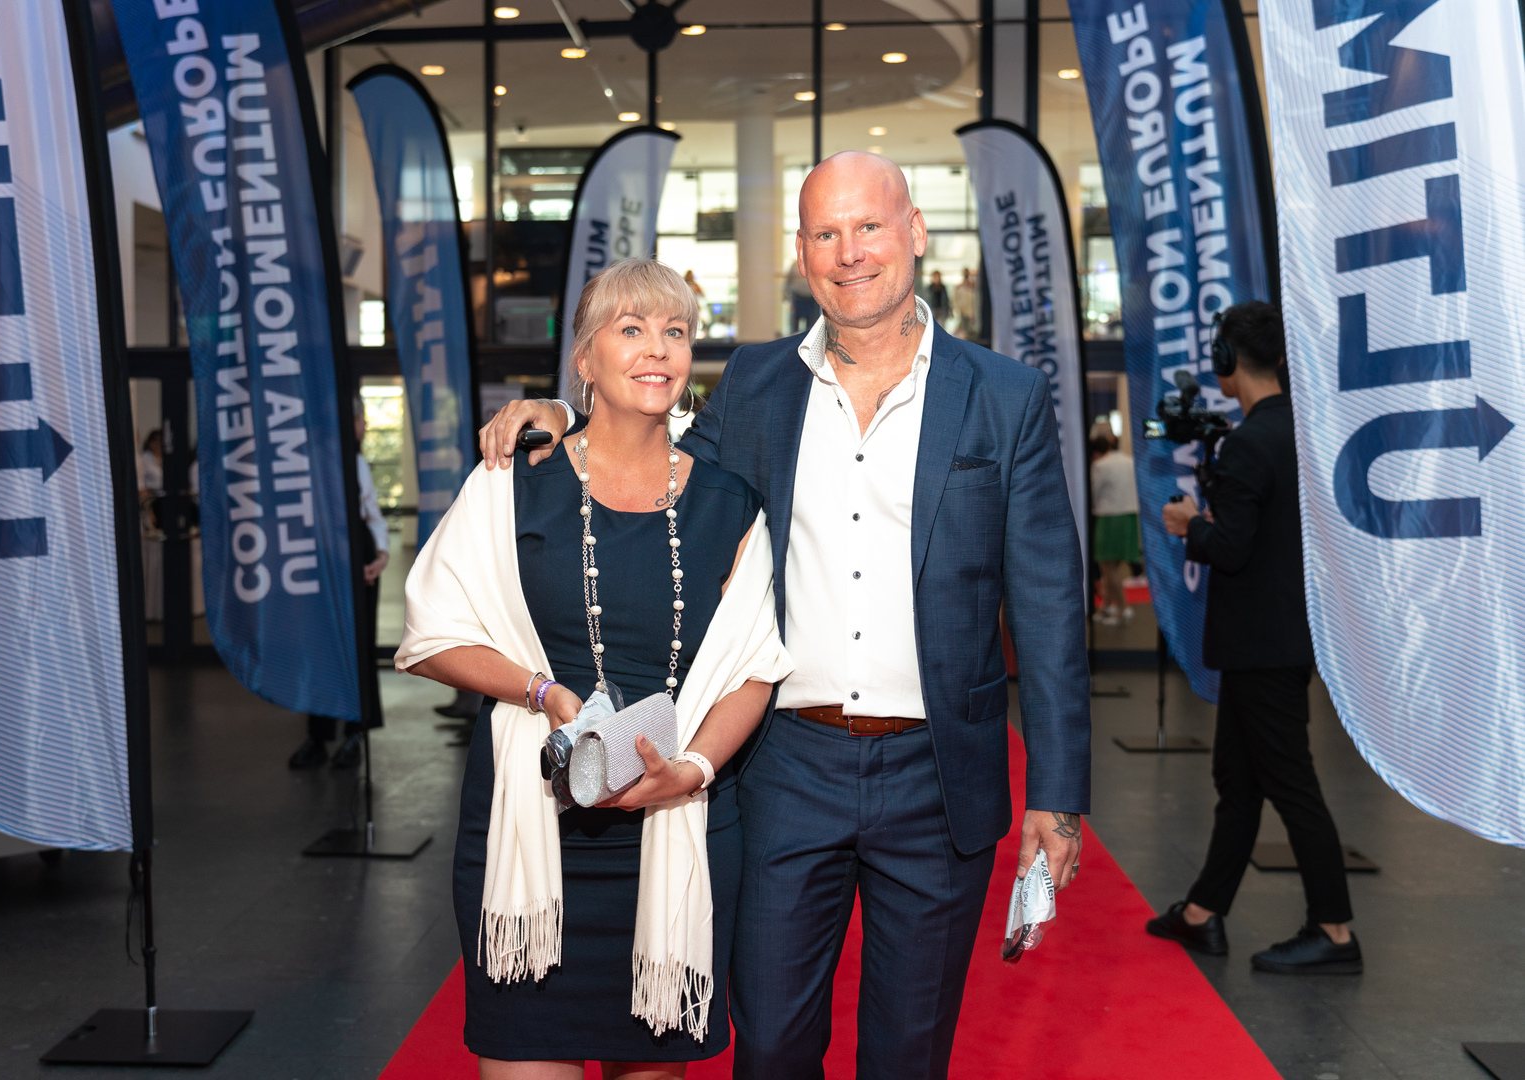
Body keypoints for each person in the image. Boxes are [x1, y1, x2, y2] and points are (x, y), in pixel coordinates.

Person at [480, 152, 1090, 1079]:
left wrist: (1057, 792)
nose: (850, 253)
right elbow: (653, 457)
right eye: (825, 234)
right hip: (783, 768)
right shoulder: (757, 383)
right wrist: (563, 410)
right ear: (802, 255)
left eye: (869, 226)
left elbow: (1047, 604)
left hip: (938, 776)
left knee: (908, 1053)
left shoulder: (1002, 396)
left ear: (914, 232)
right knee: (767, 1046)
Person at [399, 258, 792, 1076]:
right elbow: (431, 635)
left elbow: (753, 667)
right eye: (631, 329)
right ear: (584, 359)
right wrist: (542, 692)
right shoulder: (515, 482)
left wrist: (691, 769)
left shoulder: (728, 502)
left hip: (670, 829)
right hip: (530, 827)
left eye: (675, 331)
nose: (657, 349)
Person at [1149, 300, 1361, 975]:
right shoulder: (1300, 433)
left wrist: (1189, 525)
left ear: (1226, 362)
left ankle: (1334, 932)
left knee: (1290, 785)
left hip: (1261, 644)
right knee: (1237, 783)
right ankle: (1202, 913)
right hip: (1278, 638)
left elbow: (1231, 548)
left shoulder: (1248, 444)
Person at [288, 400, 390, 770]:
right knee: (321, 647)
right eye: (361, 418)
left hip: (357, 556)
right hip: (323, 559)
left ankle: (354, 733)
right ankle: (318, 736)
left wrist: (381, 555)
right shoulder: (311, 459)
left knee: (357, 646)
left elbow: (371, 512)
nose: (364, 426)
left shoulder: (356, 461)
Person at [1089, 424, 1140, 626]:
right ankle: (1106, 606)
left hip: (1109, 518)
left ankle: (1122, 609)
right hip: (1129, 516)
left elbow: (1093, 492)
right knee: (1112, 568)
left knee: (1108, 567)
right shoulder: (1130, 461)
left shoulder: (1100, 465)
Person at [784, 259, 819, 334]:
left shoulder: (813, 264)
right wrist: (785, 293)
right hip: (798, 297)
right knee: (795, 323)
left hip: (811, 298)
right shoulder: (795, 264)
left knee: (811, 324)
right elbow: (789, 279)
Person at [952, 266, 978, 339]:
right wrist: (958, 309)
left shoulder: (972, 287)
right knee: (963, 331)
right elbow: (955, 300)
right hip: (963, 312)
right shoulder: (959, 288)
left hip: (971, 313)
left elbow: (975, 301)